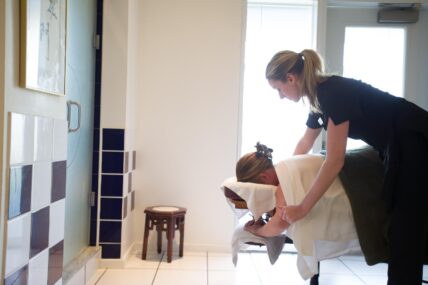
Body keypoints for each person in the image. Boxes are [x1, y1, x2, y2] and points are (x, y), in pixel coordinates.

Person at [265, 49, 428, 285]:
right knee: (400, 226)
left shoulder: (332, 92)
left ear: (291, 78)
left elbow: (334, 161)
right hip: (398, 144)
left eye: (279, 89)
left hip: (415, 139)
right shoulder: (319, 100)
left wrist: (302, 208)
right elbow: (305, 142)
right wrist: (282, 179)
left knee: (406, 227)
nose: (280, 96)